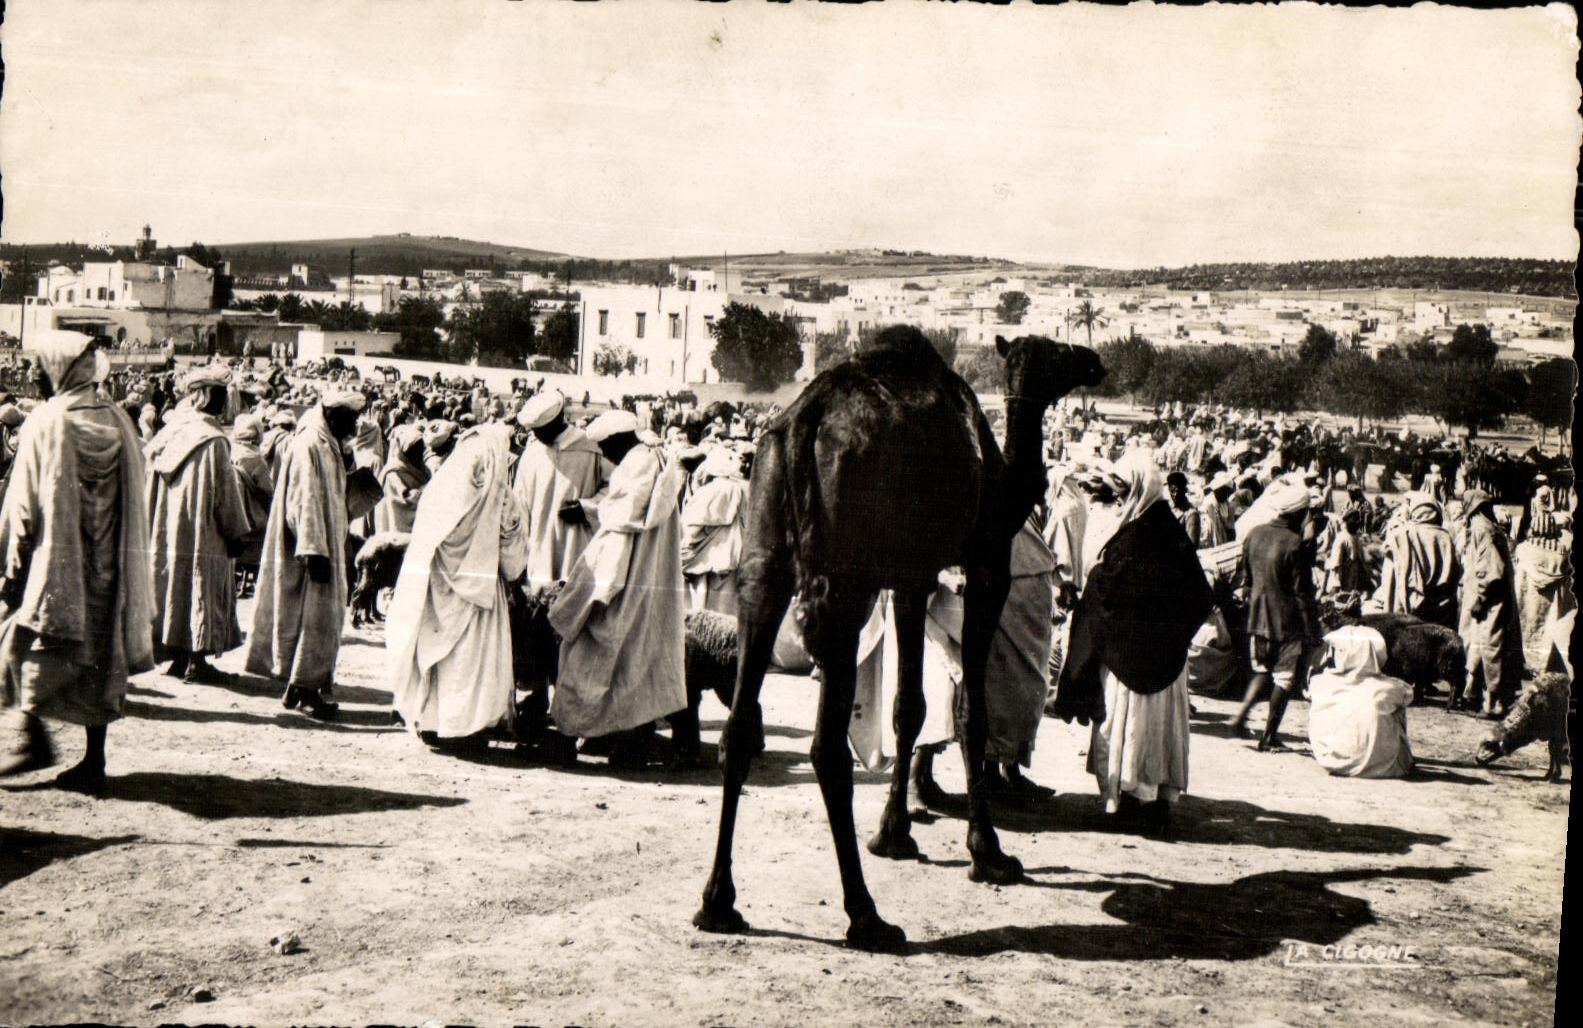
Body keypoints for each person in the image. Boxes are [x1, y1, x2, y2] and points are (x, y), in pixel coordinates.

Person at [0, 331, 155, 793]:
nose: (35, 374)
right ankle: (92, 760)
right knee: (98, 662)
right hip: (107, 571)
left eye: (40, 365)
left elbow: (24, 504)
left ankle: (32, 735)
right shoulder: (119, 419)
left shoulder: (47, 421)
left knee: (24, 645)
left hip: (54, 567)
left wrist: (12, 565)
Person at [1050, 452, 1213, 837]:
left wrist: (1097, 581)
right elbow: (1199, 595)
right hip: (1163, 662)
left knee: (1130, 730)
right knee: (1156, 733)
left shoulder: (1137, 537)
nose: (1120, 498)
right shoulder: (1168, 532)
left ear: (1140, 489)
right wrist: (1172, 636)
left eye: (1124, 491)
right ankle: (1156, 803)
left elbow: (1110, 590)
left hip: (1129, 661)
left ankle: (1126, 804)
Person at [547, 409, 687, 768]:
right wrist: (593, 509)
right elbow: (627, 511)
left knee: (590, 657)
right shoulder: (654, 461)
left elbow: (621, 529)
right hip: (649, 582)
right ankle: (629, 742)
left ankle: (568, 736)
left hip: (623, 584)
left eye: (606, 448)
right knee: (635, 663)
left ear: (618, 440)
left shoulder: (636, 469)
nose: (605, 456)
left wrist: (591, 594)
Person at [388, 423, 528, 745]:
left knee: (438, 654)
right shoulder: (498, 496)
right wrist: (514, 571)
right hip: (480, 592)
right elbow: (512, 548)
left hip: (437, 588)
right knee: (472, 661)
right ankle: (467, 727)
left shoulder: (442, 488)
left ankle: (432, 721)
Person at [245, 389, 365, 720]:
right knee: (314, 622)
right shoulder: (310, 444)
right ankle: (308, 692)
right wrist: (313, 549)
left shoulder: (327, 443)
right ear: (334, 414)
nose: (354, 426)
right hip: (312, 548)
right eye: (351, 419)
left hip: (326, 543)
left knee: (317, 621)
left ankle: (297, 688)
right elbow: (303, 499)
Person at [144, 365, 251, 683]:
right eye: (220, 395)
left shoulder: (174, 430)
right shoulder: (213, 440)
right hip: (204, 530)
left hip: (170, 527)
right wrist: (235, 532)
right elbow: (225, 495)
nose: (224, 402)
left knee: (175, 585)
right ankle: (196, 661)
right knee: (202, 585)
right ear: (206, 396)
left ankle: (177, 656)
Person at [1232, 477, 1321, 750]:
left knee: (1261, 670)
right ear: (1299, 513)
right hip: (1287, 622)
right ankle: (1269, 736)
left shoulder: (1255, 534)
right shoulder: (1295, 544)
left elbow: (1246, 579)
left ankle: (1240, 717)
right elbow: (1302, 592)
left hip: (1257, 618)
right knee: (1284, 677)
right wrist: (1313, 629)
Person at [1306, 625, 1414, 778]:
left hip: (1331, 761)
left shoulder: (1320, 682)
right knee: (1396, 709)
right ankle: (1383, 754)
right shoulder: (1390, 688)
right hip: (1384, 768)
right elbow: (1409, 695)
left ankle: (1340, 749)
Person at [1459, 490, 1525, 717]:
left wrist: (1480, 597)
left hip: (1489, 601)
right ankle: (1480, 697)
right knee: (1485, 647)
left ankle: (1494, 704)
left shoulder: (1482, 529)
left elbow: (1492, 570)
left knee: (1490, 648)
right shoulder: (1490, 528)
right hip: (1493, 599)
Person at [679, 446, 750, 614]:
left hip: (705, 557)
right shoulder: (742, 489)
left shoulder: (708, 491)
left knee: (700, 601)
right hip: (731, 554)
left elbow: (691, 523)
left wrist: (685, 546)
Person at [1376, 494, 1460, 629]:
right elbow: (1456, 574)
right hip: (1442, 613)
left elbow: (1389, 578)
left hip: (1409, 609)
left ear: (1415, 510)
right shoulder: (1446, 537)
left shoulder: (1401, 535)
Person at [374, 422, 428, 535]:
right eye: (413, 450)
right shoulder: (393, 474)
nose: (417, 454)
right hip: (398, 527)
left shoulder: (422, 468)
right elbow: (401, 504)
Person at [1197, 471, 1236, 549]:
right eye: (1225, 492)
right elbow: (1210, 529)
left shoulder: (1227, 504)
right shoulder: (1208, 503)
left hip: (1223, 540)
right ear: (1217, 490)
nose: (1227, 495)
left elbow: (1231, 526)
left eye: (1228, 493)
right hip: (1210, 541)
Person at [1165, 471, 1202, 548]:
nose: (1175, 494)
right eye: (1172, 491)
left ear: (1184, 490)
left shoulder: (1191, 514)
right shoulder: (1166, 508)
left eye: (1178, 491)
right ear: (1168, 490)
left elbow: (1192, 545)